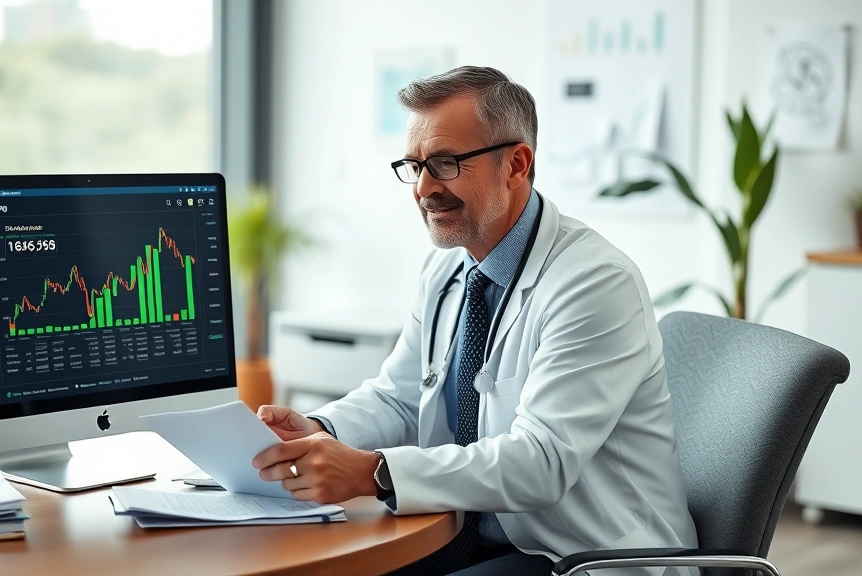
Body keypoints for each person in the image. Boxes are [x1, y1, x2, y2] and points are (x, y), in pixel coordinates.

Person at [251, 66, 698, 575]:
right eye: (414, 166)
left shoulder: (595, 282)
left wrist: (375, 472)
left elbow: (541, 462)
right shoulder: (447, 270)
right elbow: (398, 396)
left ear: (516, 165)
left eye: (445, 163)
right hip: (467, 534)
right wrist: (319, 428)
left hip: (581, 556)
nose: (424, 188)